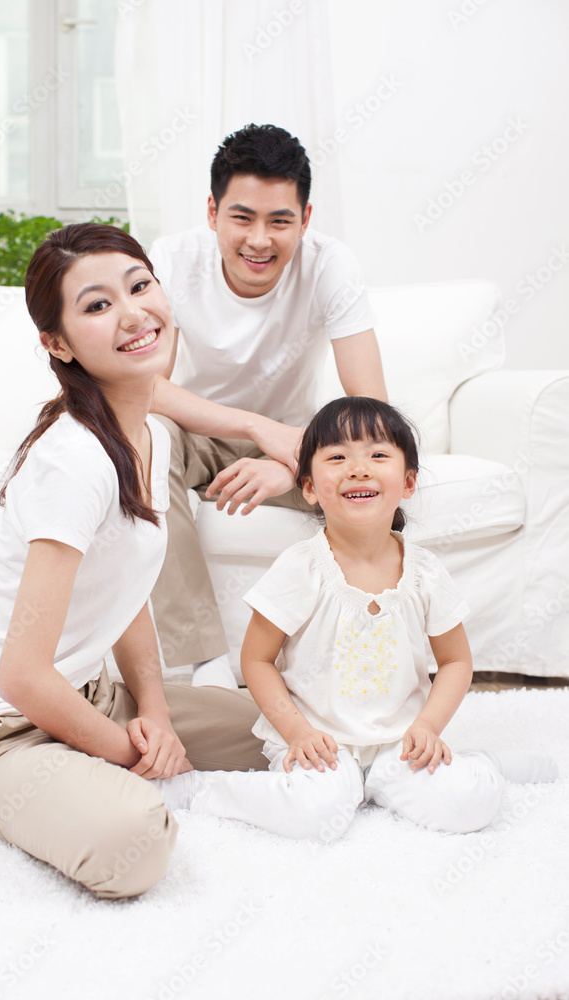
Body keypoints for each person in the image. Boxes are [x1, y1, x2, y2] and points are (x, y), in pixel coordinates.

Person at [0, 223, 269, 901]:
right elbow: (22, 676)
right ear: (56, 344)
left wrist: (156, 714)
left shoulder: (148, 433)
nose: (134, 313)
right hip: (1, 732)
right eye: (96, 305)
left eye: (139, 286)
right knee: (136, 845)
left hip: (89, 695)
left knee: (284, 727)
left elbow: (125, 591)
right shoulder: (73, 461)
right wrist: (130, 754)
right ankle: (64, 786)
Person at [156, 397, 557, 839]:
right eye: (337, 457)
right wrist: (297, 733)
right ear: (308, 487)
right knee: (314, 814)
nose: (359, 468)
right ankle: (198, 790)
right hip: (320, 740)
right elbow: (257, 661)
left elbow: (456, 662)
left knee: (469, 805)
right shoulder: (300, 567)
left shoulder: (424, 571)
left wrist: (427, 727)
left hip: (398, 740)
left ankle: (480, 766)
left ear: (408, 483)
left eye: (378, 455)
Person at [148, 124, 388, 688]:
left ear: (305, 220)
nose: (260, 239)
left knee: (379, 471)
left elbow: (371, 409)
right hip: (199, 433)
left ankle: (368, 663)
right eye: (242, 217)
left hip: (300, 443)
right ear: (212, 212)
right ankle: (207, 664)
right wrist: (260, 428)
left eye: (280, 221)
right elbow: (148, 390)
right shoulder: (173, 259)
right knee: (146, 440)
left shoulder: (330, 264)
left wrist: (288, 462)